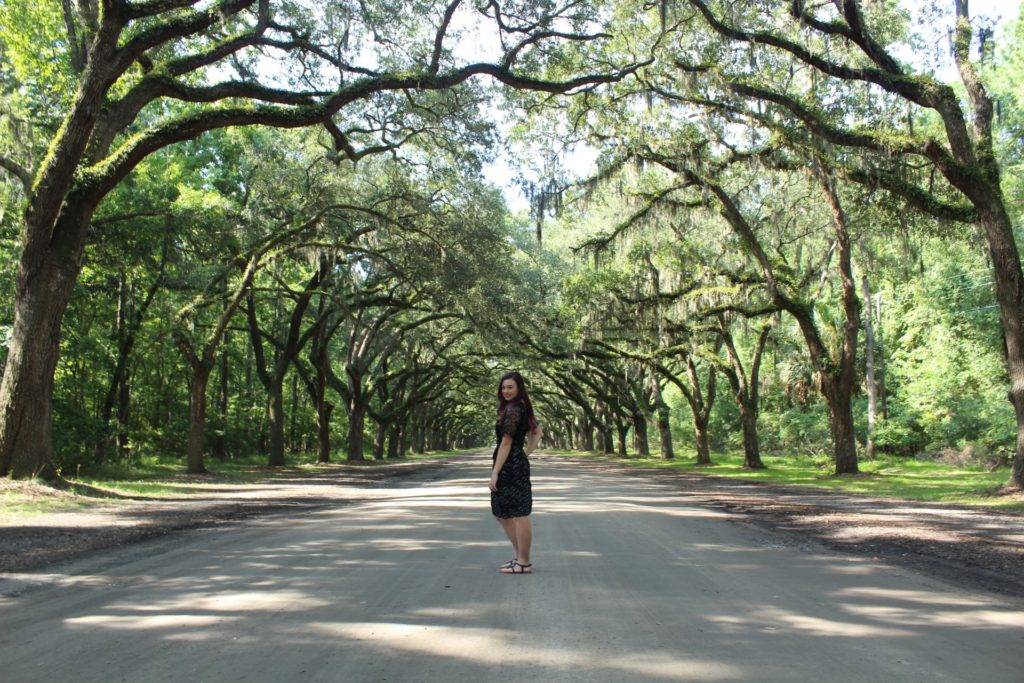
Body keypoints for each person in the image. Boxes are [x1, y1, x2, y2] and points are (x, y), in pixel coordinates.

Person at [490, 371, 542, 575]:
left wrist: (495, 472)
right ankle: (520, 557)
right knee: (503, 511)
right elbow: (537, 432)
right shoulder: (519, 408)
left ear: (519, 388)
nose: (506, 391)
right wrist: (525, 453)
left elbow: (506, 442)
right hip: (513, 462)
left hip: (510, 465)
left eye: (510, 387)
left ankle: (524, 561)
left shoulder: (514, 409)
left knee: (518, 513)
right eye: (503, 388)